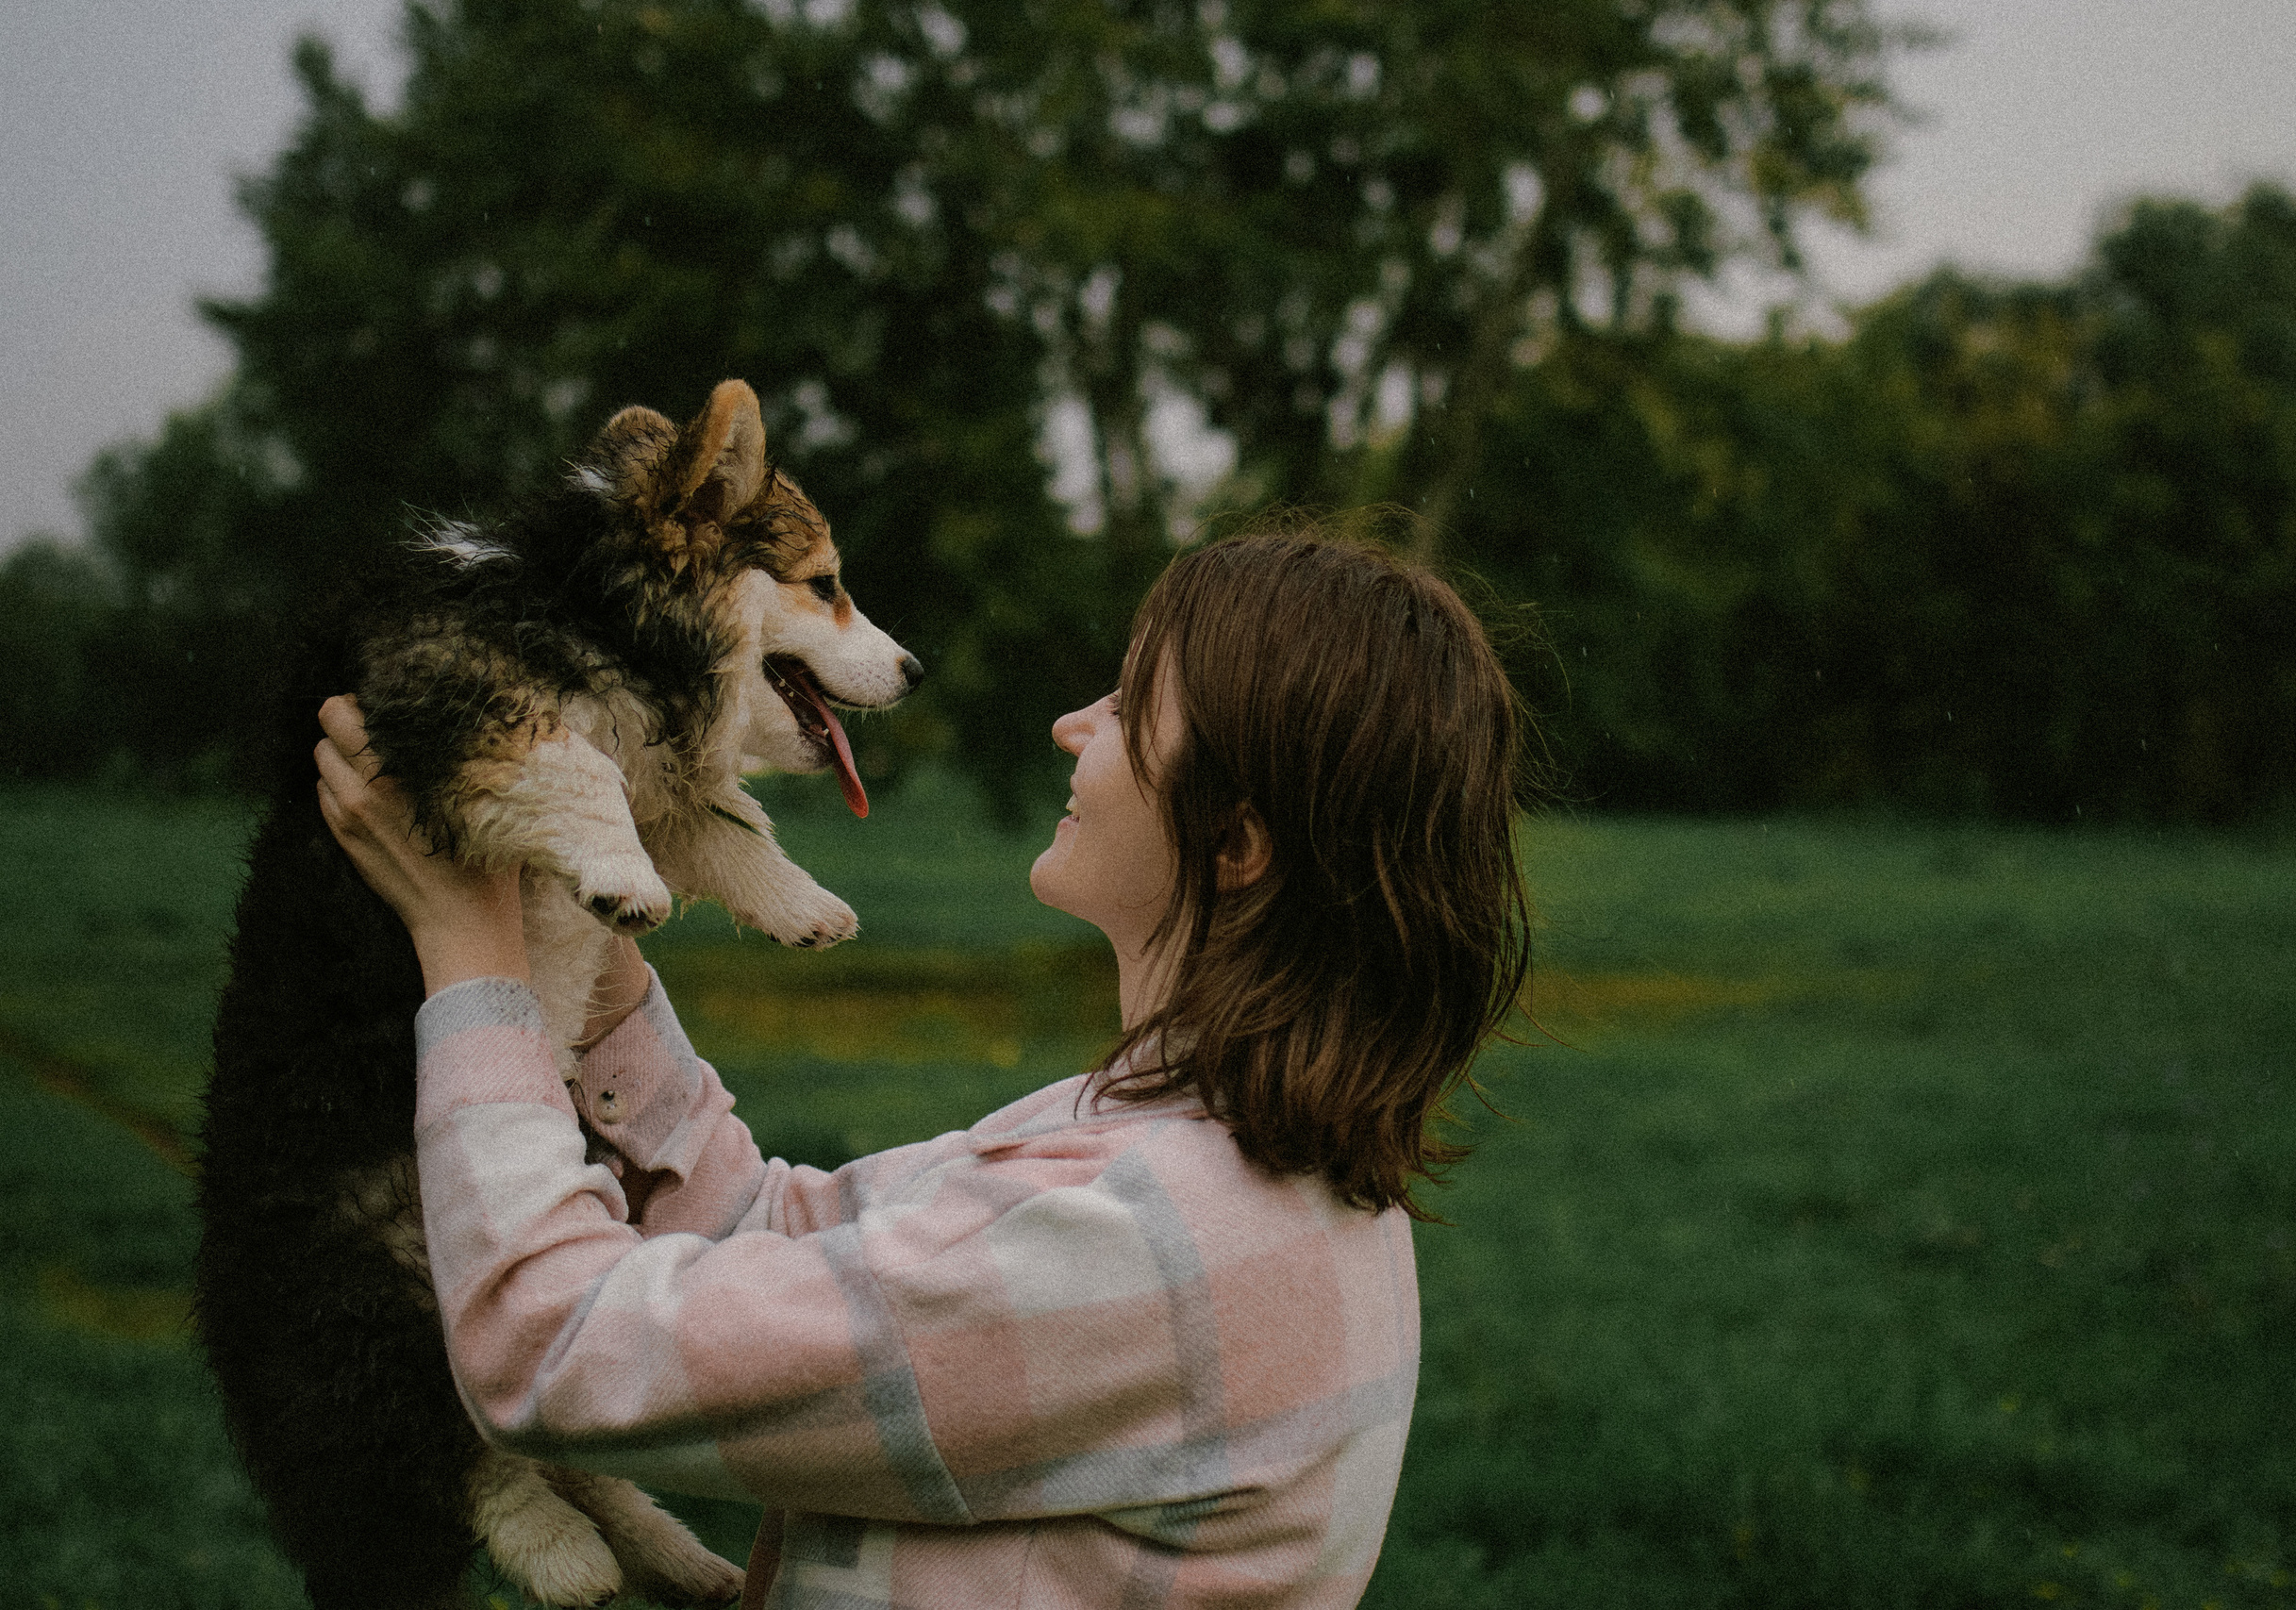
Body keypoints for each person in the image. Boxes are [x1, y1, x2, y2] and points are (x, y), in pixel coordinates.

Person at [314, 525, 1531, 1609]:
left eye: (1128, 703)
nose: (1074, 722)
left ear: (1237, 841)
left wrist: (474, 955)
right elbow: (771, 1242)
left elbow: (552, 1357)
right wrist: (595, 958)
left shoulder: (1144, 1238)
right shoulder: (1182, 1150)